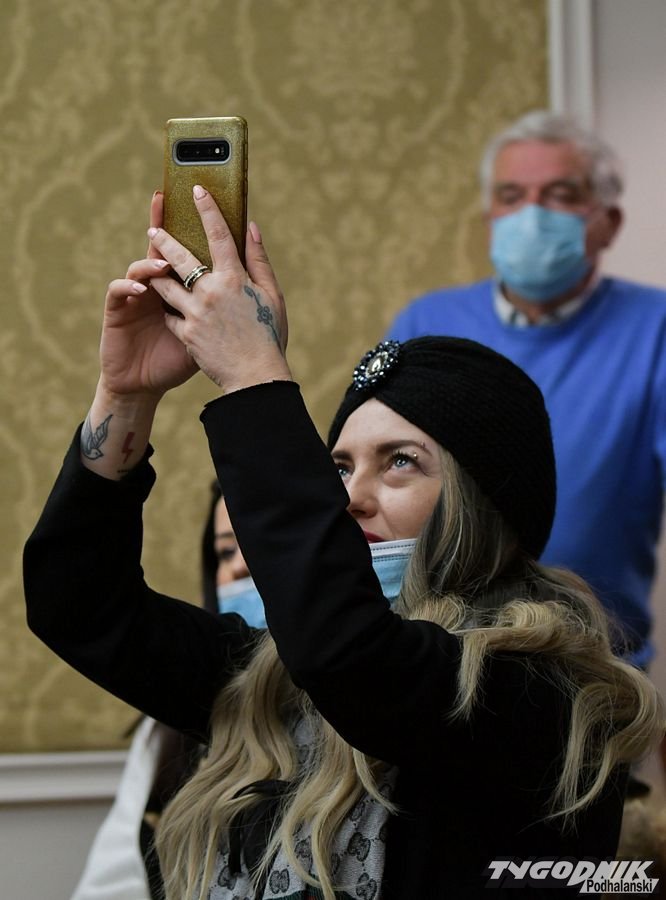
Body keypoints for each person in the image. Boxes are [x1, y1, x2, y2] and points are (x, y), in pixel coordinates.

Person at [23, 186, 662, 899]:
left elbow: (358, 663)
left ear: (486, 505)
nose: (349, 497)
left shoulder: (545, 693)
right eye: (339, 466)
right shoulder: (270, 677)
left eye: (401, 462)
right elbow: (76, 604)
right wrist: (126, 396)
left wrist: (251, 375)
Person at [386, 109, 666, 669]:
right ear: (490, 217)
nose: (531, 215)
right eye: (511, 196)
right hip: (436, 653)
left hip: (594, 668)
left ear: (608, 222)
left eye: (561, 195)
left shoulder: (655, 329)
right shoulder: (428, 324)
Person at [71, 485, 251, 900]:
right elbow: (113, 882)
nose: (240, 567)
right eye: (226, 552)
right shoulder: (166, 720)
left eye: (261, 544)